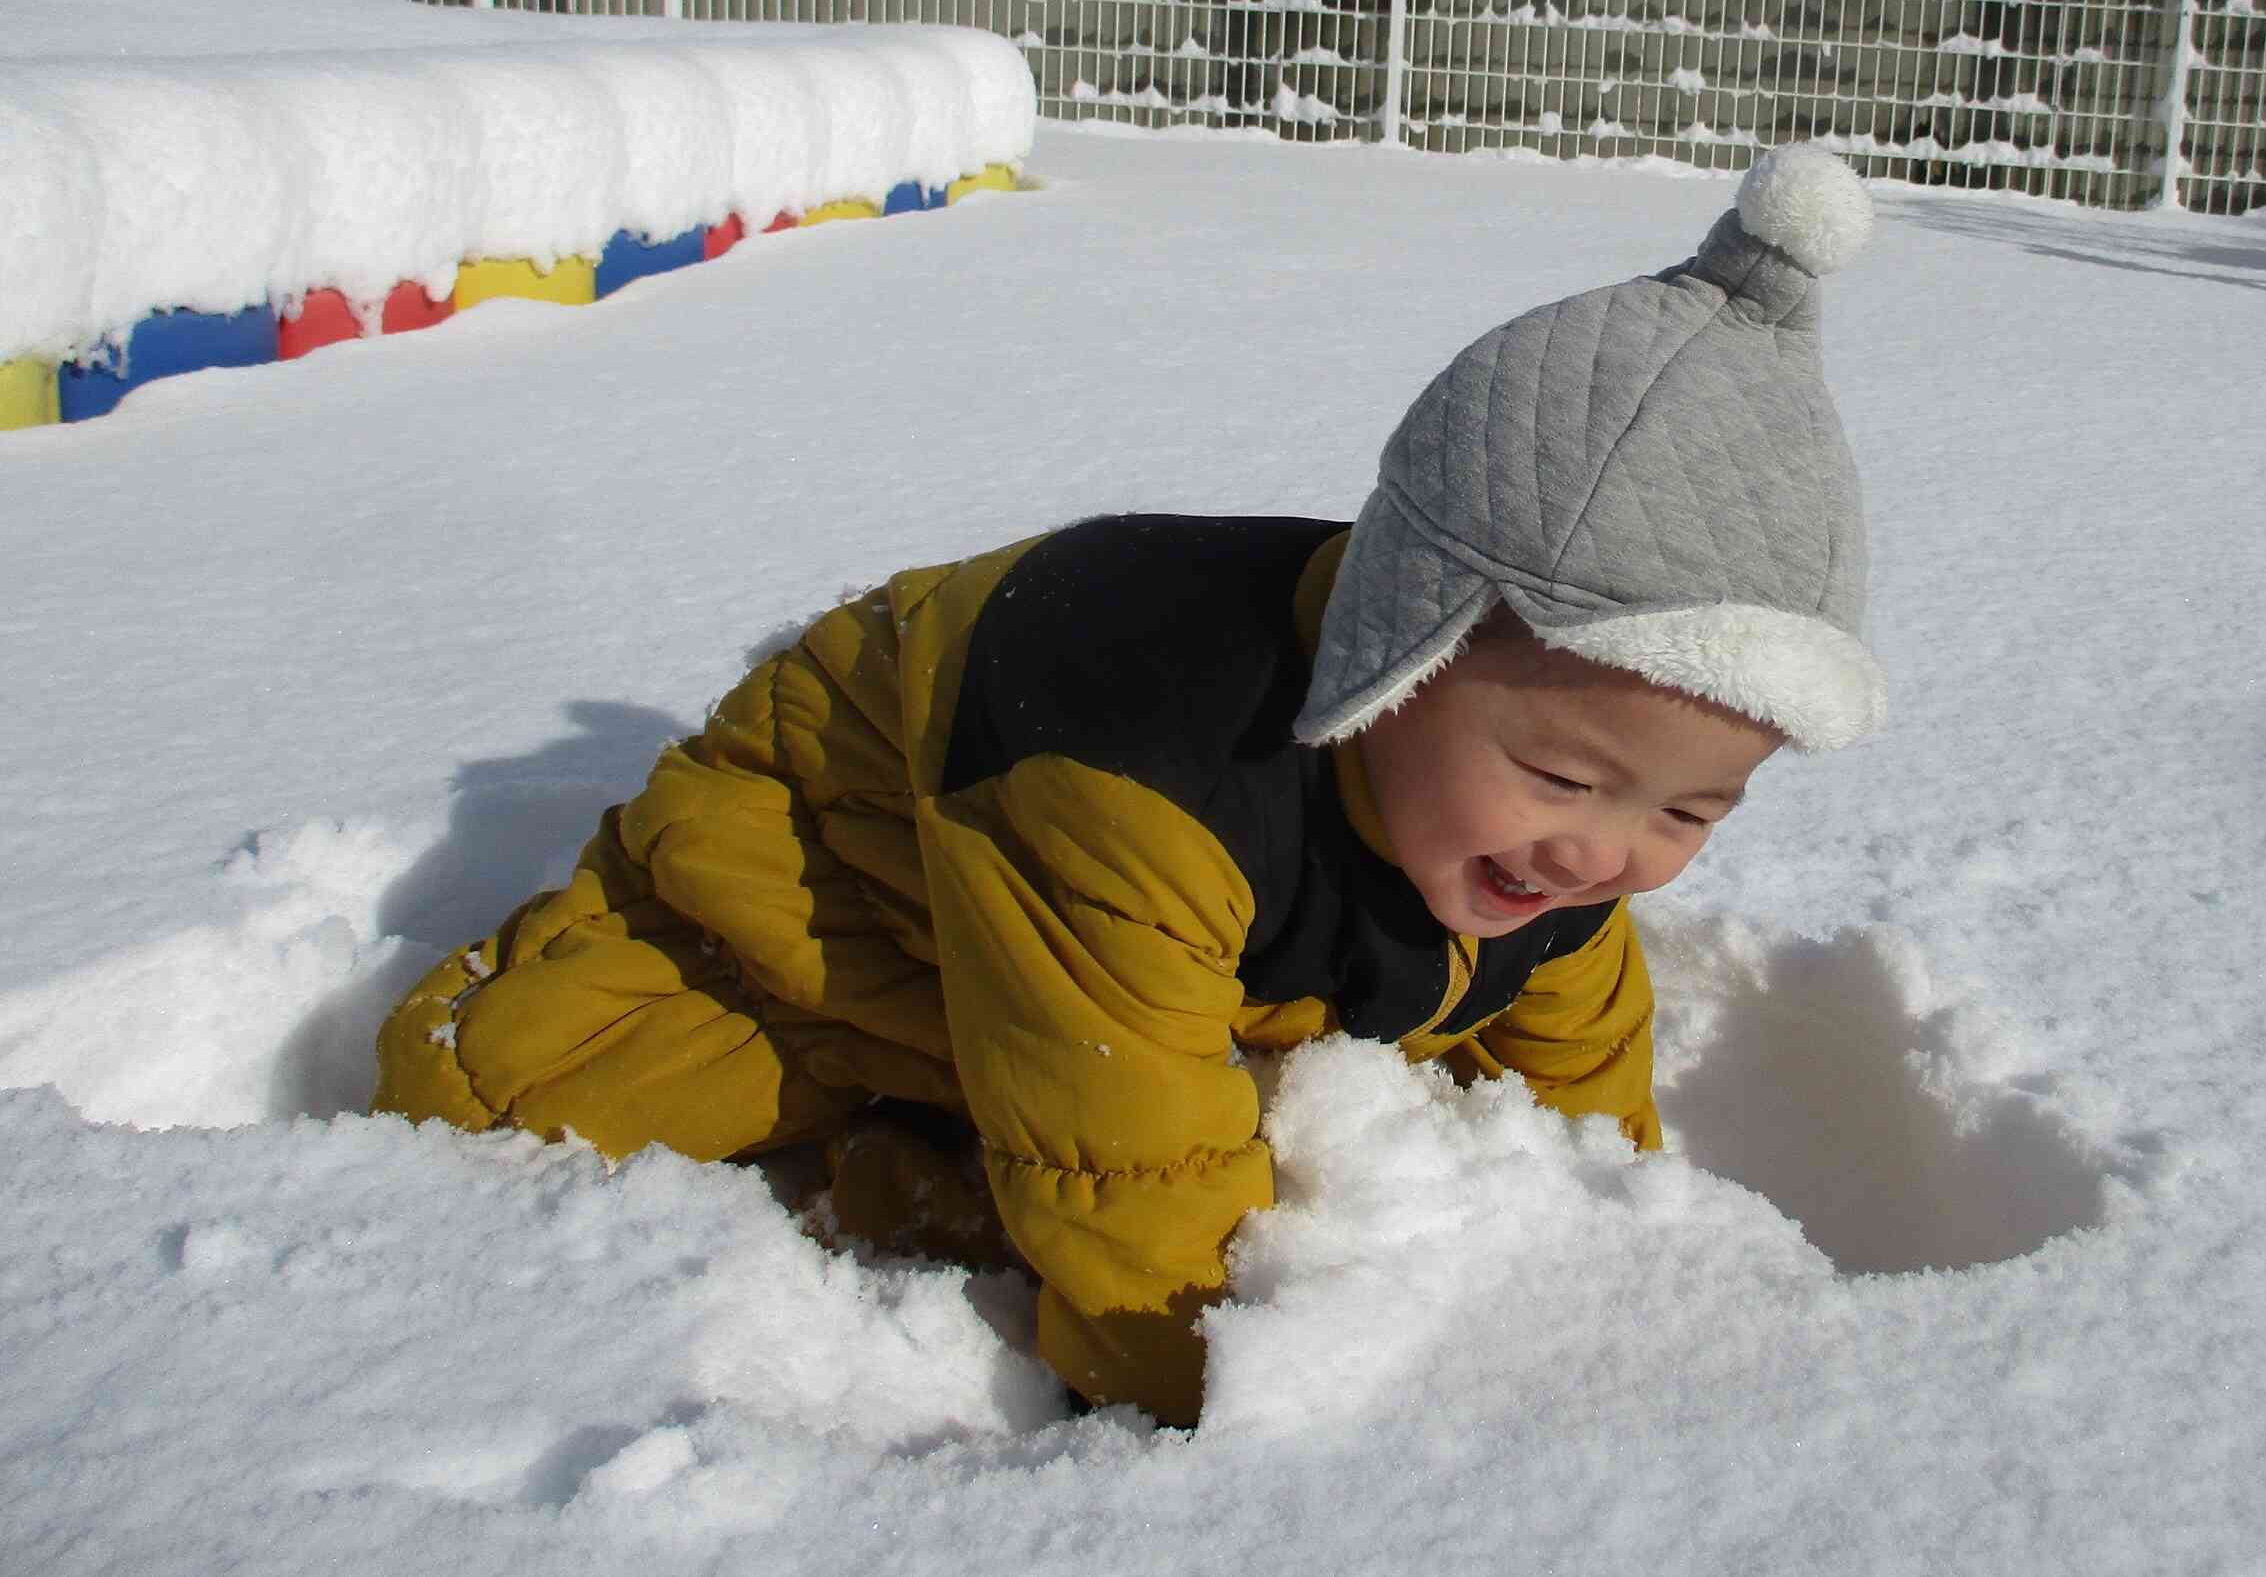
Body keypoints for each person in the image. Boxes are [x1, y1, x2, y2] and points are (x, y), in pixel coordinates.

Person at [372, 141, 1885, 1428]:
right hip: (848, 863)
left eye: (1694, 812)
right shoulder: (1141, 779)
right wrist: (1243, 1414)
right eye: (1568, 774)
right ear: (1400, 649)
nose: (1603, 852)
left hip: (1106, 955)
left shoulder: (1550, 849)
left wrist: (1613, 1264)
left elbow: (1582, 1099)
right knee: (492, 1085)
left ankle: (943, 1146)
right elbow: (1144, 1209)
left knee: (1095, 1072)